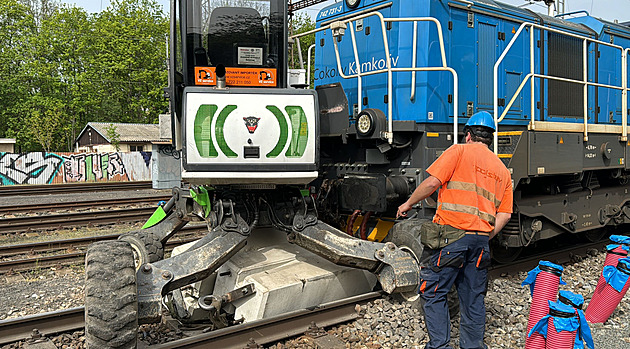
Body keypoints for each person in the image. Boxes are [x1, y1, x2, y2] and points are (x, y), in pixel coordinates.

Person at [396, 111, 513, 349]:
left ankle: (439, 346)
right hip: (480, 241)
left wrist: (407, 204)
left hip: (451, 237)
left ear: (468, 135)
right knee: (473, 298)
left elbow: (431, 183)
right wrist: (486, 235)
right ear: (490, 138)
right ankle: (473, 346)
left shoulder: (458, 151)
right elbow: (505, 213)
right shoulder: (502, 169)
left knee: (434, 292)